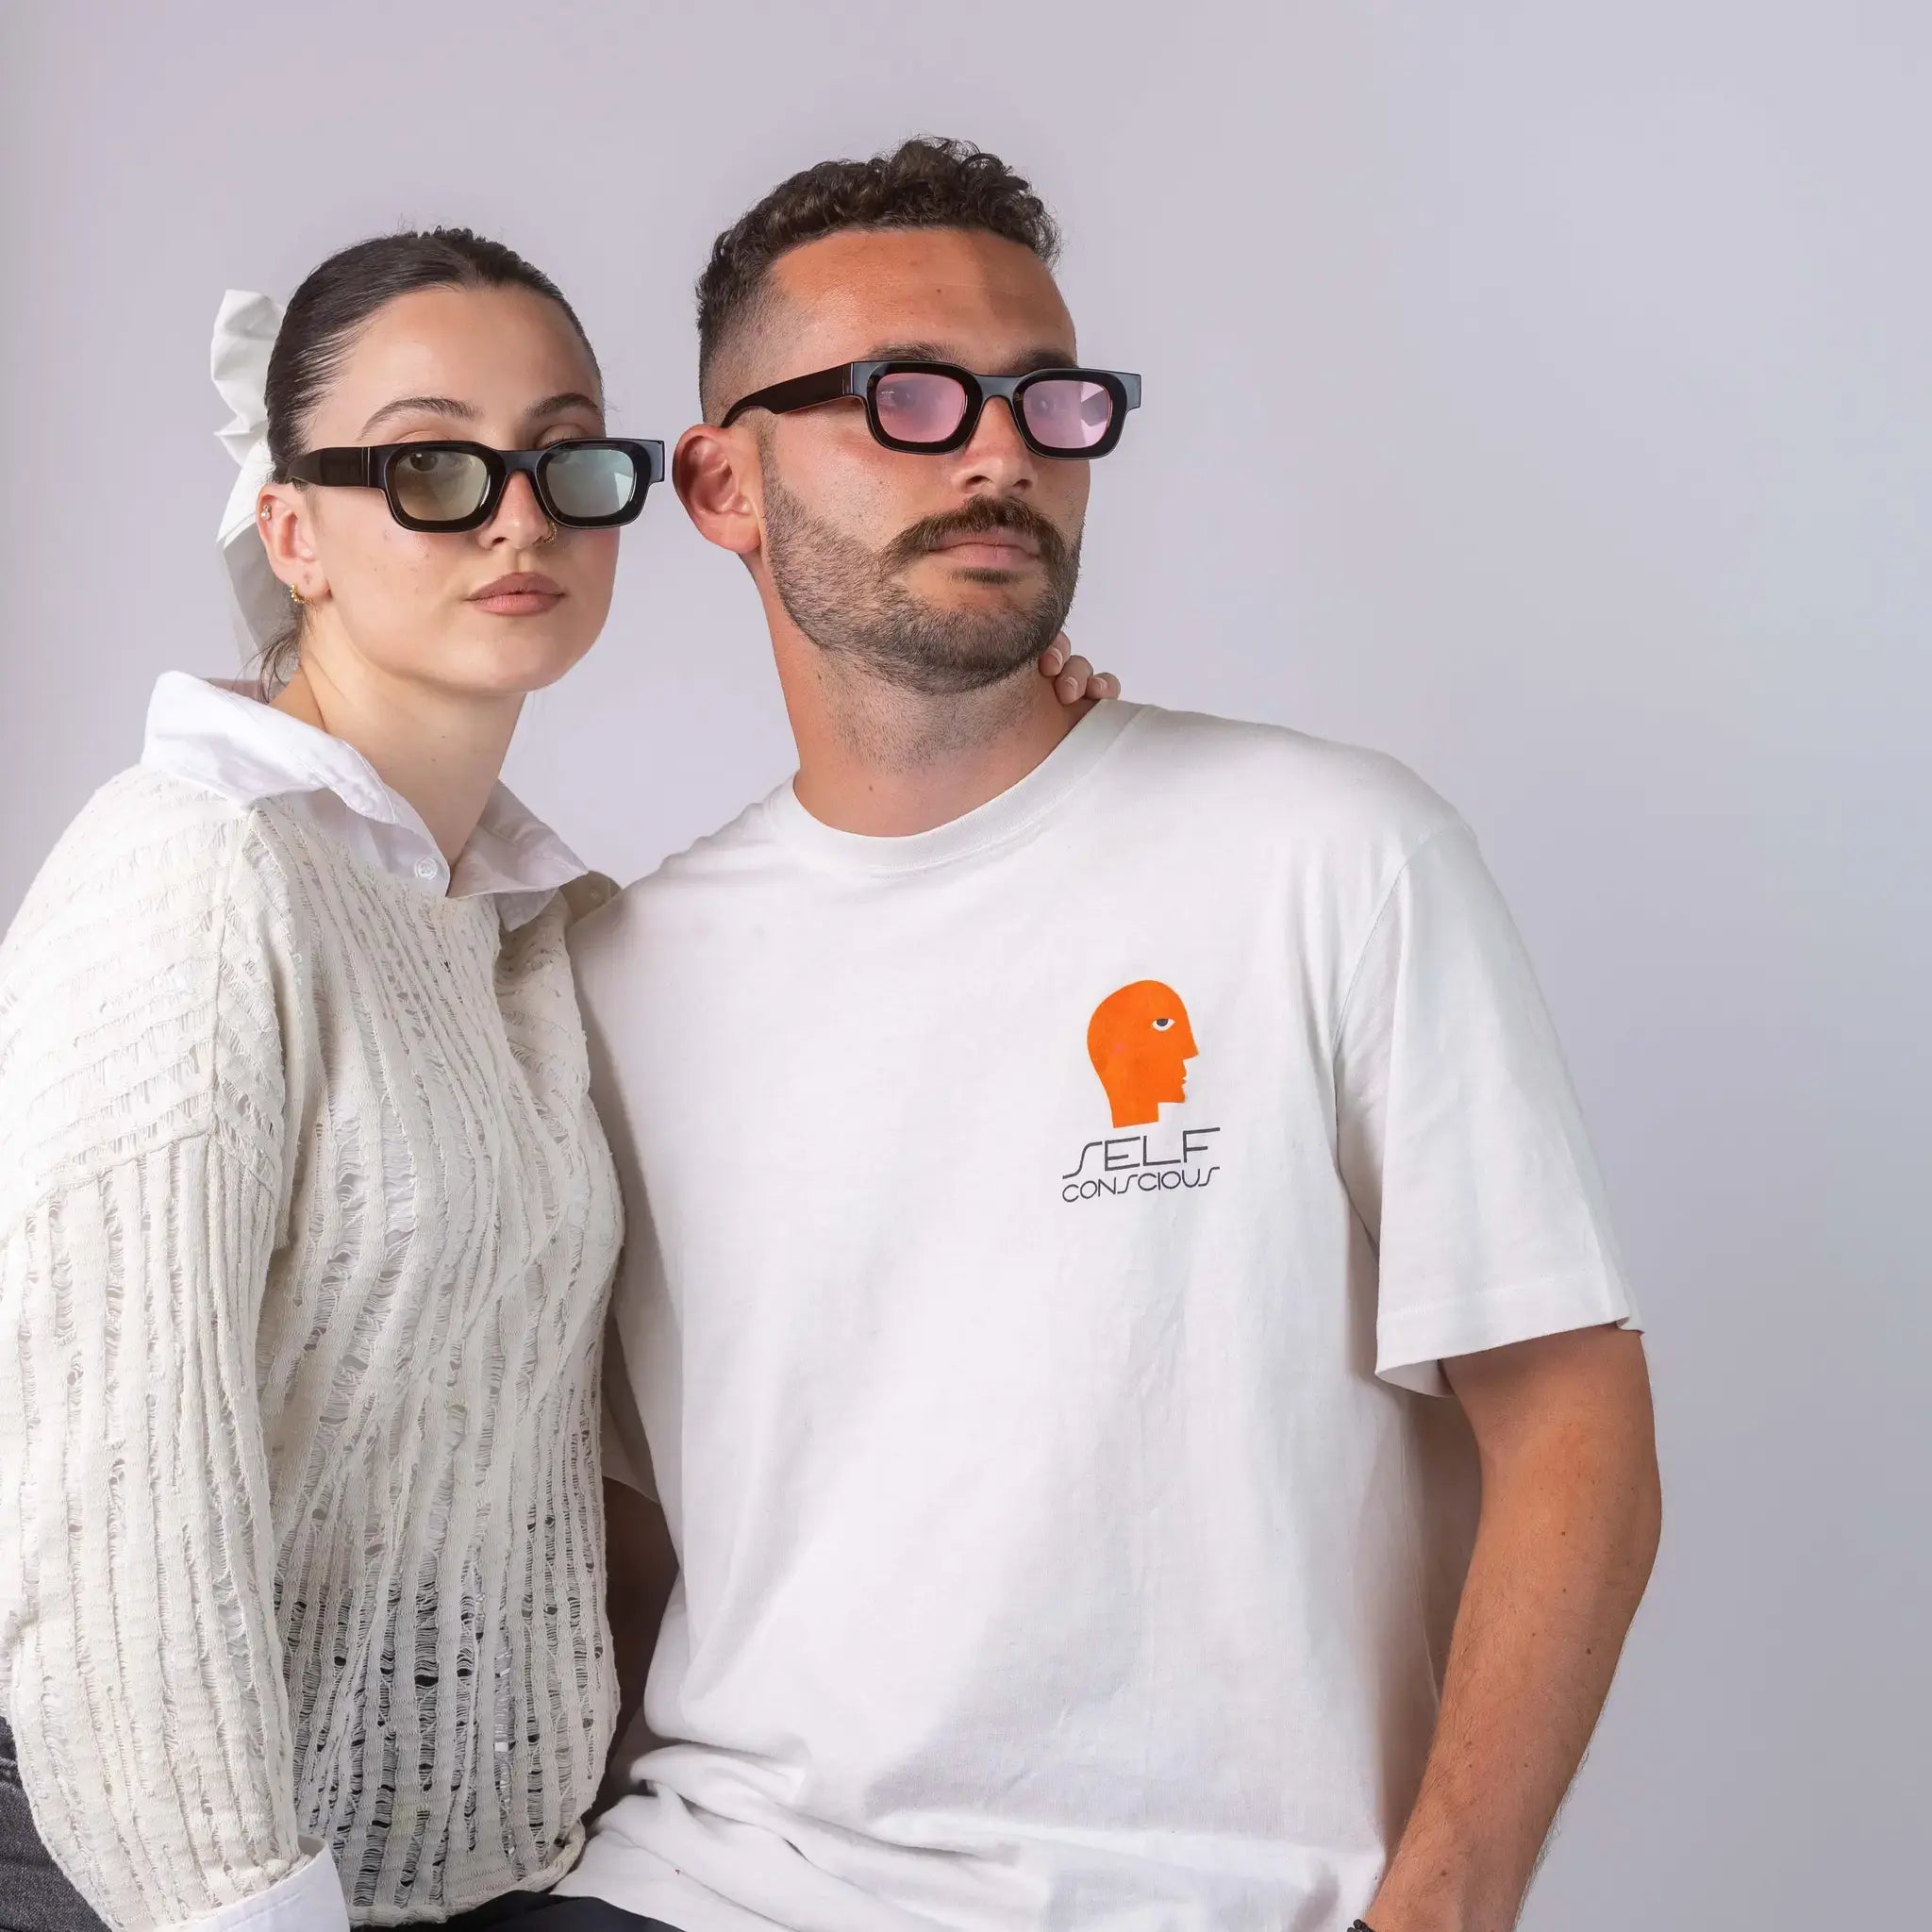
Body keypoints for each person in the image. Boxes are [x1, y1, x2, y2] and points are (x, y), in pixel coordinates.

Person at [562, 138, 1664, 1932]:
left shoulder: (1329, 854)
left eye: (1050, 401)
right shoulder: (619, 978)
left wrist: (1445, 1903)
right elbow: (628, 1541)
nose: (1001, 451)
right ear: (719, 482)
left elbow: (1574, 1427)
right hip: (706, 1882)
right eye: (907, 399)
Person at [0, 220, 1125, 1932]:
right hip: (159, 1878)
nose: (517, 514)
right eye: (432, 466)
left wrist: (1021, 753)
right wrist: (241, 1907)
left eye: (560, 457)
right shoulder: (196, 870)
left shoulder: (532, 933)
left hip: (486, 1879)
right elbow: (108, 1511)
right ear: (291, 527)